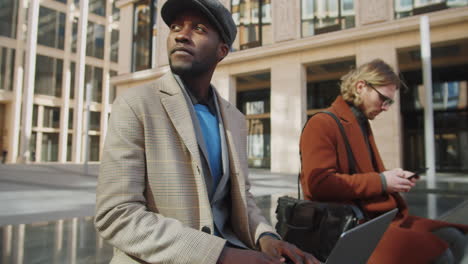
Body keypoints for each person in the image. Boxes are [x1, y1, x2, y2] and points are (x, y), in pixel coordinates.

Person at [94, 0, 318, 263]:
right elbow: (116, 214)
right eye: (176, 27)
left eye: (198, 29)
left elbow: (240, 197)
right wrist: (220, 255)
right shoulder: (135, 104)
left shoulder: (234, 119)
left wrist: (265, 237)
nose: (180, 35)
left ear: (221, 50)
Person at [299, 59, 468, 264]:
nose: (386, 108)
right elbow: (319, 185)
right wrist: (382, 181)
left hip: (376, 217)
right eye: (383, 99)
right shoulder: (322, 123)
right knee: (440, 254)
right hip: (349, 226)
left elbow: (362, 174)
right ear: (361, 87)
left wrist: (393, 178)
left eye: (390, 102)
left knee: (455, 238)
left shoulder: (361, 122)